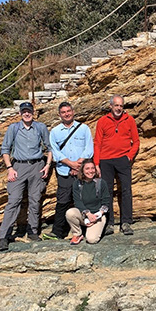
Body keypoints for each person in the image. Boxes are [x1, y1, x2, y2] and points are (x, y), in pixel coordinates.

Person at [0, 102, 52, 251]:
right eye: (24, 112)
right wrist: (9, 168)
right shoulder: (13, 128)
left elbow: (49, 147)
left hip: (37, 166)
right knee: (14, 200)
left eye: (29, 111)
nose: (27, 114)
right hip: (18, 167)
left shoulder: (40, 127)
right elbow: (5, 149)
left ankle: (32, 231)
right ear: (20, 113)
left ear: (33, 112)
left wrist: (47, 165)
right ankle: (4, 236)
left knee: (35, 199)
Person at [42, 102, 94, 240]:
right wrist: (71, 164)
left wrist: (78, 166)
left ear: (73, 112)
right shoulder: (55, 132)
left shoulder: (83, 129)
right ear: (59, 115)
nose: (67, 114)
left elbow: (89, 149)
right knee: (63, 201)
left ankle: (86, 229)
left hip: (81, 172)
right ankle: (58, 231)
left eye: (69, 111)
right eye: (63, 112)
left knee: (84, 200)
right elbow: (55, 152)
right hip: (64, 171)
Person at [93, 95, 140, 235]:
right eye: (116, 105)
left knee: (126, 190)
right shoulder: (102, 121)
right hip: (105, 160)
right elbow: (97, 143)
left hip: (123, 160)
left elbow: (136, 142)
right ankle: (109, 223)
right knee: (106, 193)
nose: (119, 108)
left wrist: (129, 157)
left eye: (121, 106)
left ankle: (126, 222)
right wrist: (96, 163)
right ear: (111, 106)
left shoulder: (129, 120)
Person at [66, 159, 110, 244]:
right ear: (82, 170)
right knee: (70, 213)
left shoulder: (101, 183)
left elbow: (106, 201)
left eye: (92, 168)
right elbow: (77, 202)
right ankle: (77, 234)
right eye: (87, 169)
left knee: (92, 240)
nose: (90, 171)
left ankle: (94, 228)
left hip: (98, 216)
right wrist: (88, 215)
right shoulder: (77, 184)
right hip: (85, 214)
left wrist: (98, 214)